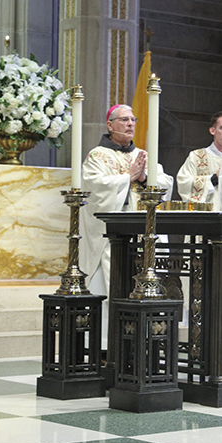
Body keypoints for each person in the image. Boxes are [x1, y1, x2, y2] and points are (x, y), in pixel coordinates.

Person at [80, 104, 174, 339]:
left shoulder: (143, 154)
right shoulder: (97, 156)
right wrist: (126, 178)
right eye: (124, 120)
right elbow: (95, 189)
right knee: (110, 285)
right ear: (110, 125)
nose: (130, 124)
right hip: (112, 239)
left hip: (143, 234)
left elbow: (165, 185)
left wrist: (143, 177)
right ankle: (107, 344)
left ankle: (144, 339)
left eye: (133, 119)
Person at [176, 111, 222, 209]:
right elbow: (183, 183)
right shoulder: (196, 156)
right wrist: (214, 179)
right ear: (212, 130)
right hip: (204, 214)